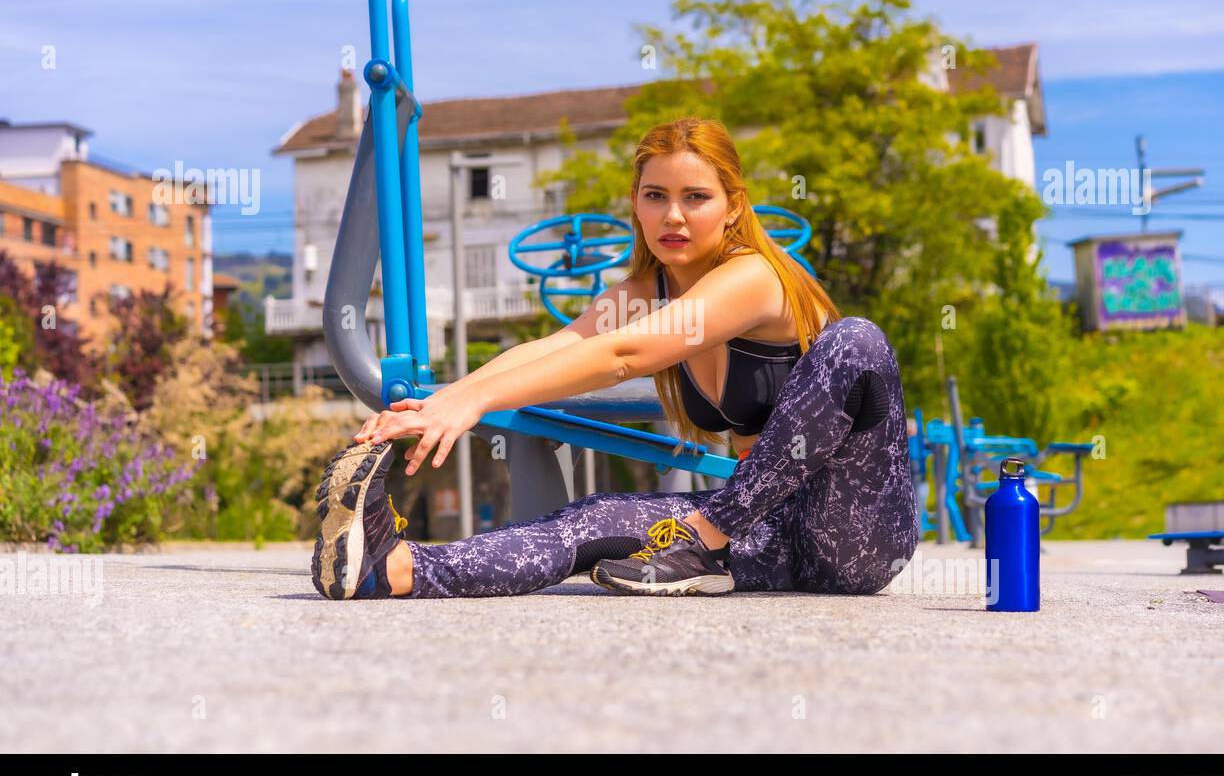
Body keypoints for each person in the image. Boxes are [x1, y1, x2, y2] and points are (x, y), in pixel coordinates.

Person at [311, 117, 918, 601]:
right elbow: (560, 346)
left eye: (695, 197)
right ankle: (390, 569)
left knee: (856, 339)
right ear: (636, 201)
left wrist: (473, 402)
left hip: (856, 534)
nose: (672, 216)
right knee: (591, 520)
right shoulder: (643, 292)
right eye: (656, 196)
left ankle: (702, 546)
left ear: (733, 205)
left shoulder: (753, 278)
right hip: (764, 536)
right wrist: (445, 399)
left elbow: (627, 353)